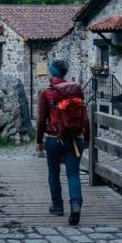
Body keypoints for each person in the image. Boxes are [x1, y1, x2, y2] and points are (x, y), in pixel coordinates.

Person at [35, 59, 89, 225]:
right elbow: (85, 116)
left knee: (54, 172)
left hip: (54, 139)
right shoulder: (76, 90)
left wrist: (39, 141)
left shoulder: (47, 93)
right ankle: (75, 204)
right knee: (73, 173)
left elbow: (41, 119)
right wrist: (87, 138)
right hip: (74, 139)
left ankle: (57, 206)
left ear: (52, 72)